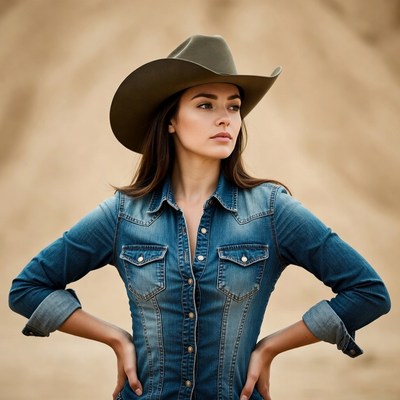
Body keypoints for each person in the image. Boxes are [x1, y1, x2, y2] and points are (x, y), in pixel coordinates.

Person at [9, 34, 390, 400]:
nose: (225, 118)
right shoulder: (124, 214)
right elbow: (27, 289)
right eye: (206, 105)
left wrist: (270, 347)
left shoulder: (272, 210)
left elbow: (368, 292)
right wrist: (115, 338)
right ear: (170, 119)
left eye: (234, 106)